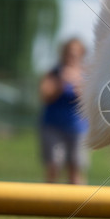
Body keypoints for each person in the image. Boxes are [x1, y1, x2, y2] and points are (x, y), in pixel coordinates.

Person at [39, 38, 89, 184]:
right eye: (68, 53)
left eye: (74, 54)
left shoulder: (86, 75)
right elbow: (45, 95)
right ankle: (48, 204)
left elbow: (90, 100)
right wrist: (61, 82)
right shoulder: (54, 73)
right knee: (54, 165)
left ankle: (79, 204)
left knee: (76, 167)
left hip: (78, 128)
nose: (71, 57)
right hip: (53, 126)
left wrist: (77, 84)